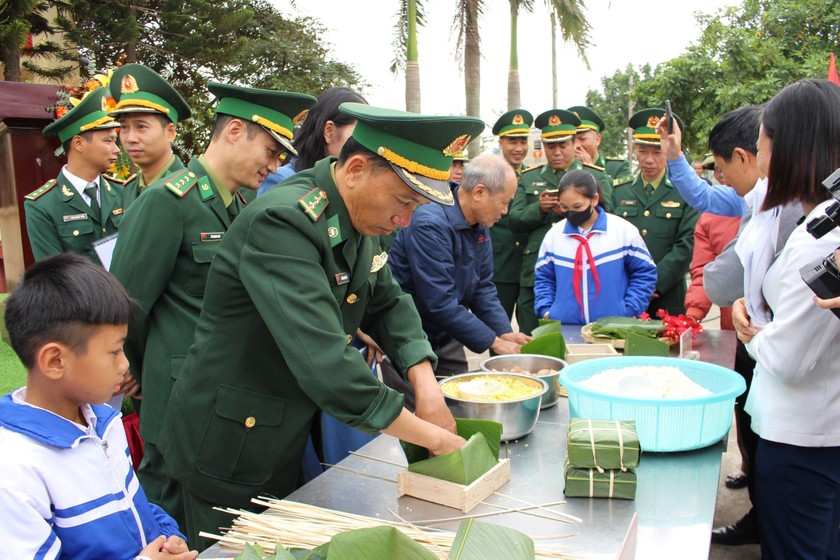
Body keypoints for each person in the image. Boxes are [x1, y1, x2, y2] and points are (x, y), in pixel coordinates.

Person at [156, 103, 484, 550]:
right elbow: (325, 360)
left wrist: (424, 383)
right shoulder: (284, 222)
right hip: (229, 443)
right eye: (404, 201)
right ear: (354, 170)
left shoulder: (360, 216)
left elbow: (388, 303)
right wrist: (434, 438)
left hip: (281, 432)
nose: (405, 220)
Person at [109, 84, 316, 529]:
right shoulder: (168, 202)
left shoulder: (241, 205)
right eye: (270, 150)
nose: (274, 164)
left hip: (225, 393)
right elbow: (125, 306)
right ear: (235, 130)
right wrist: (140, 371)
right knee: (173, 514)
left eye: (282, 156)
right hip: (175, 394)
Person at [660, 104, 804, 546]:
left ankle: (774, 525)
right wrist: (674, 156)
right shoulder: (758, 198)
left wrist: (733, 284)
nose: (719, 179)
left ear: (749, 156)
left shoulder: (792, 208)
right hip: (755, 340)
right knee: (755, 437)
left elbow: (723, 279)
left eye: (722, 168)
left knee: (785, 463)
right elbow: (703, 197)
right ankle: (762, 518)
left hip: (786, 352)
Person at [0, 253, 197, 560]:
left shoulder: (104, 419)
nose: (125, 364)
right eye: (114, 352)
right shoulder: (15, 466)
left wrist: (168, 536)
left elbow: (133, 505)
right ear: (55, 361)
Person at [732, 78, 840, 559]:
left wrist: (752, 332)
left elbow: (789, 358)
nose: (759, 158)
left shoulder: (821, 240)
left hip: (802, 442)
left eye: (762, 146)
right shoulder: (822, 218)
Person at [387, 153, 530, 384]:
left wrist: (504, 330)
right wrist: (493, 341)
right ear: (479, 193)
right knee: (420, 409)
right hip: (410, 334)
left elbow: (482, 286)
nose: (505, 211)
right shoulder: (430, 224)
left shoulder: (479, 221)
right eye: (504, 202)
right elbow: (438, 301)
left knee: (460, 396)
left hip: (447, 332)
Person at [508, 108, 614, 334]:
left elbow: (609, 215)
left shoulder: (595, 175)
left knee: (578, 336)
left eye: (562, 145)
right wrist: (539, 208)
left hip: (581, 268)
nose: (556, 152)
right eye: (550, 146)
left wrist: (572, 213)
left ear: (574, 143)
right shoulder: (529, 177)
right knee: (532, 337)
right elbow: (514, 220)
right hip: (536, 272)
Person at [534, 169, 656, 324]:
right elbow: (544, 278)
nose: (571, 213)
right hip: (565, 326)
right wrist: (547, 311)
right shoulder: (554, 235)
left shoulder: (623, 231)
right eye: (565, 207)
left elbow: (644, 273)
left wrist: (630, 310)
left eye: (577, 206)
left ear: (594, 199)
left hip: (614, 327)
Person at [612, 108, 700, 316]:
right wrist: (633, 283)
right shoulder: (619, 190)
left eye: (656, 151)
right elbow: (612, 240)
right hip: (626, 293)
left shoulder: (685, 191)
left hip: (667, 295)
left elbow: (687, 244)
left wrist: (652, 283)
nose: (649, 159)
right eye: (643, 151)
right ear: (635, 150)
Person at [25, 86, 123, 266]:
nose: (116, 150)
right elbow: (56, 277)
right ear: (79, 143)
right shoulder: (42, 205)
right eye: (108, 141)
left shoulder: (124, 192)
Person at [108, 63, 192, 209]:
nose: (130, 138)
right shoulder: (129, 190)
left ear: (170, 132)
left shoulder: (190, 193)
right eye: (124, 127)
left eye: (141, 127)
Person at [257, 86, 367, 196]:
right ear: (329, 131)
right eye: (357, 135)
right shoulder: (283, 180)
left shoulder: (343, 185)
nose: (363, 146)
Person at [489, 109, 531, 325]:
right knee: (499, 327)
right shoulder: (489, 175)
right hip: (499, 265)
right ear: (501, 142)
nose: (518, 148)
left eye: (523, 141)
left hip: (527, 266)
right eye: (512, 141)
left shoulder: (534, 176)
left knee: (531, 332)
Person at [684, 212, 740, 329]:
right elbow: (705, 272)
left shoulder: (778, 208)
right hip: (734, 326)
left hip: (774, 323)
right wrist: (693, 314)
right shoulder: (712, 215)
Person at [568, 105, 632, 180]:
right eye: (571, 140)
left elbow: (621, 191)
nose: (576, 146)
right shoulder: (560, 169)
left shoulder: (618, 167)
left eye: (582, 139)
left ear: (597, 139)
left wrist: (591, 169)